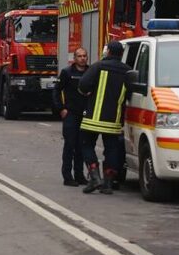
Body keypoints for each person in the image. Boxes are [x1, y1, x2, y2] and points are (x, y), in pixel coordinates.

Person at [78, 41, 130, 195]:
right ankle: (107, 183)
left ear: (107, 52)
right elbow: (130, 94)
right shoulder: (127, 71)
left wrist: (86, 93)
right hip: (114, 120)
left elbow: (83, 85)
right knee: (112, 149)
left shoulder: (98, 66)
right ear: (121, 54)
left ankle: (94, 177)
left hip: (93, 117)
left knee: (86, 145)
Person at [53, 47, 90, 187]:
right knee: (70, 145)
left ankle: (79, 175)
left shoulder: (90, 72)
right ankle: (67, 177)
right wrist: (61, 109)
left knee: (82, 146)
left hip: (85, 115)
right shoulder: (67, 72)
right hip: (71, 114)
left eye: (84, 56)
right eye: (79, 56)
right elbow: (56, 90)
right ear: (74, 58)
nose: (82, 58)